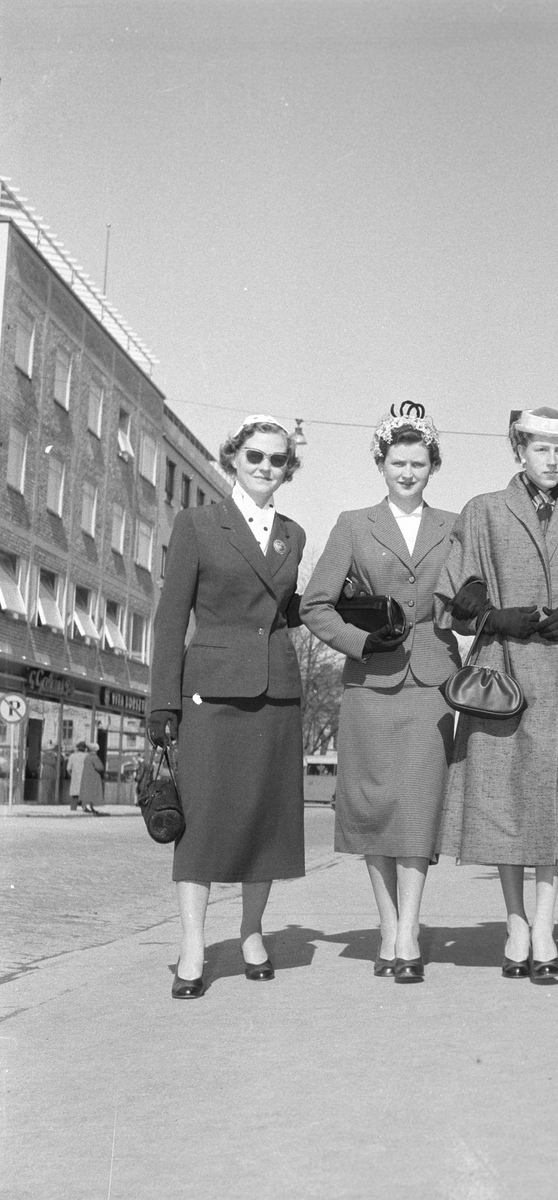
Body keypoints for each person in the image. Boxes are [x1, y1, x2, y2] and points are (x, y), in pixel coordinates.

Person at [434, 407, 558, 981]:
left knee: (556, 801)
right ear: (518, 450)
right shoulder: (484, 512)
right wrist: (490, 615)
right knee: (502, 799)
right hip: (500, 674)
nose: (551, 460)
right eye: (540, 448)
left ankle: (544, 927)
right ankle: (515, 922)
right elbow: (452, 596)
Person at [148, 414, 306, 1000]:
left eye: (277, 459)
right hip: (210, 693)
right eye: (255, 456)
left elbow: (284, 611)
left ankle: (251, 932)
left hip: (276, 692)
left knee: (264, 818)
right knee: (203, 820)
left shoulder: (294, 534)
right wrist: (163, 701)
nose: (266, 467)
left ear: (289, 468)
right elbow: (171, 616)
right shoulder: (196, 524)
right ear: (233, 459)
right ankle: (193, 945)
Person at [300, 405, 460, 984]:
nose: (408, 473)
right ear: (381, 465)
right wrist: (360, 642)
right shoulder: (353, 524)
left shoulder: (455, 525)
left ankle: (409, 930)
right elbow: (314, 605)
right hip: (371, 683)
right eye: (397, 463)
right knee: (374, 806)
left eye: (418, 463)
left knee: (418, 805)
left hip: (432, 684)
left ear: (432, 466)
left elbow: (467, 598)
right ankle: (387, 925)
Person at [79, 742, 107, 816]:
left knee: (87, 791)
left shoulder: (87, 757)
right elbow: (100, 767)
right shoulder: (94, 757)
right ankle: (90, 807)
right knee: (93, 792)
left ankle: (86, 806)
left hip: (86, 777)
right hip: (93, 777)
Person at [66, 741, 89, 813]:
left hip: (75, 777)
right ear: (85, 749)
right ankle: (84, 807)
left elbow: (68, 768)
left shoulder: (72, 756)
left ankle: (73, 808)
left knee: (74, 794)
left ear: (77, 748)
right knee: (84, 793)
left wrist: (71, 774)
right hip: (85, 777)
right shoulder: (87, 756)